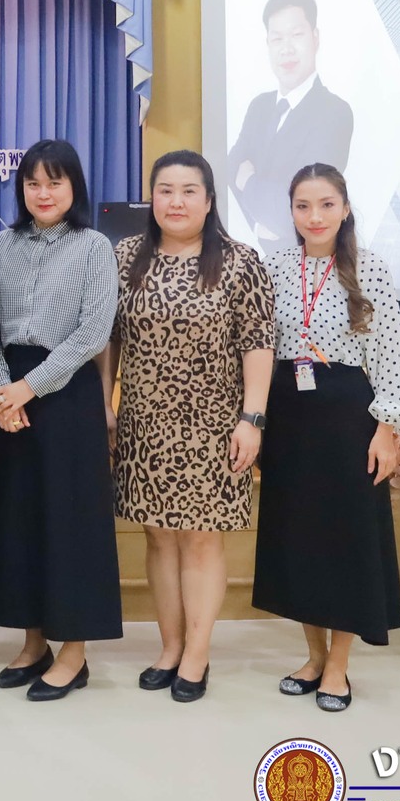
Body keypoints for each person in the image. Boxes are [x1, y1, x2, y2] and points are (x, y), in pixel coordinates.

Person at [101, 149, 274, 703]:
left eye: (188, 191)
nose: (175, 202)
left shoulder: (240, 262)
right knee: (157, 535)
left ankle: (197, 654)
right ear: (152, 198)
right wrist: (105, 403)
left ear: (209, 199)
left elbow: (258, 344)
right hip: (144, 422)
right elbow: (109, 338)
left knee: (201, 538)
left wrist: (252, 418)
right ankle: (170, 647)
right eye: (165, 190)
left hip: (214, 424)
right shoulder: (125, 256)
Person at [254, 163, 400, 712]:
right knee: (299, 539)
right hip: (289, 418)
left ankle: (339, 665)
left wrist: (387, 431)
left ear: (345, 208)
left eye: (327, 204)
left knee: (345, 539)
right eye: (303, 206)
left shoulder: (368, 268)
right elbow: (258, 345)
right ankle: (312, 656)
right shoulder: (274, 267)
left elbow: (391, 352)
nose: (315, 216)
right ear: (291, 212)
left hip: (348, 420)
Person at [0, 139, 123, 701]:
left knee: (70, 523)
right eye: (33, 183)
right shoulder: (1, 245)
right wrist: (2, 392)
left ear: (73, 187)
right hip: (9, 394)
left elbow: (93, 333)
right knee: (20, 520)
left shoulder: (93, 247)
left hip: (67, 394)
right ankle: (33, 643)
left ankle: (74, 654)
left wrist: (28, 389)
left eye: (54, 182)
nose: (43, 193)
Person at [227, 0, 354, 247]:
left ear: (315, 38)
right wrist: (259, 225)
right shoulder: (259, 107)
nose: (286, 48)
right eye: (277, 39)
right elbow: (229, 174)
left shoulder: (335, 112)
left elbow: (298, 211)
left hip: (307, 263)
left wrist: (248, 181)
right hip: (249, 262)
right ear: (268, 44)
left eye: (296, 35)